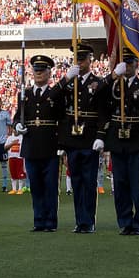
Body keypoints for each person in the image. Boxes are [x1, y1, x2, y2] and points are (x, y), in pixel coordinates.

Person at [100, 51, 139, 235]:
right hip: (117, 140)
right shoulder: (113, 85)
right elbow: (97, 94)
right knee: (120, 184)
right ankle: (124, 221)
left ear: (136, 65)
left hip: (137, 140)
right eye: (125, 63)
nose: (128, 67)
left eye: (130, 63)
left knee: (137, 185)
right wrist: (114, 75)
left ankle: (138, 222)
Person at [56, 42, 107, 233]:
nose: (79, 62)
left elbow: (103, 112)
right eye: (77, 59)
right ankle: (80, 220)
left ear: (89, 60)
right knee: (76, 181)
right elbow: (60, 111)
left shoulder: (98, 83)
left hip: (90, 138)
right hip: (72, 140)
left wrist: (101, 136)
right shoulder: (69, 82)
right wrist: (61, 141)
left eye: (82, 59)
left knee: (89, 181)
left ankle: (89, 220)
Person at [14, 54, 63, 232]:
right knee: (35, 186)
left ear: (49, 73)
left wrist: (61, 145)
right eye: (36, 70)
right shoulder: (24, 94)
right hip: (31, 146)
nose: (39, 74)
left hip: (50, 146)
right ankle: (39, 220)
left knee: (50, 187)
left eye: (42, 71)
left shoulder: (54, 94)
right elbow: (16, 117)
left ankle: (50, 221)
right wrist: (18, 125)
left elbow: (62, 119)